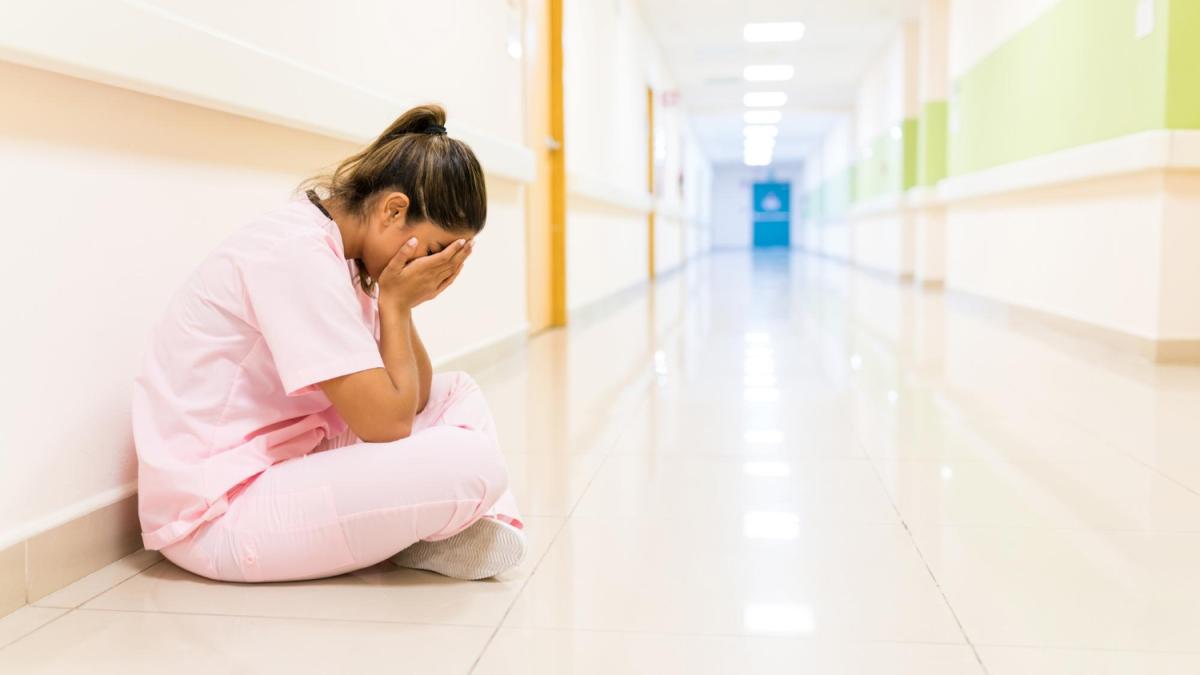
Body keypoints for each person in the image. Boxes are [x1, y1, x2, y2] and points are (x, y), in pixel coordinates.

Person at [130, 104, 525, 583]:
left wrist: (400, 304)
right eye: (436, 249)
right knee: (476, 464)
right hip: (218, 513)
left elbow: (416, 398)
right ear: (393, 210)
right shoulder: (296, 255)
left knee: (456, 392)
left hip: (289, 456)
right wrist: (396, 305)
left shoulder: (343, 253)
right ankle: (445, 524)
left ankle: (452, 526)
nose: (436, 267)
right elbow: (388, 424)